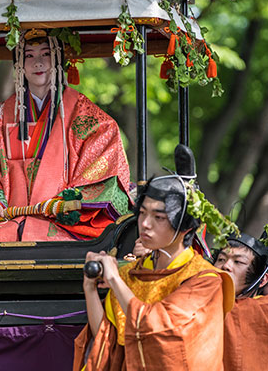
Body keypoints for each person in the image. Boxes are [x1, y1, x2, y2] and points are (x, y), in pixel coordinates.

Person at [0, 29, 132, 242]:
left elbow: (105, 157)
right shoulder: (2, 114)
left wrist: (71, 202)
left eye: (45, 54)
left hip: (63, 223)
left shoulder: (84, 115)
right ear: (19, 66)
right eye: (29, 56)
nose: (38, 63)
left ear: (58, 61)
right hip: (8, 220)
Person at [73, 145, 234, 371]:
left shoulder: (205, 281)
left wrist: (115, 281)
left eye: (158, 217)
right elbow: (107, 339)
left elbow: (157, 327)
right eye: (142, 213)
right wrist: (90, 288)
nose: (145, 224)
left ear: (185, 228)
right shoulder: (131, 274)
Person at [213, 233, 268, 370]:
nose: (226, 266)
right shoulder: (198, 299)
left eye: (238, 261)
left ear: (262, 279)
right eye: (221, 259)